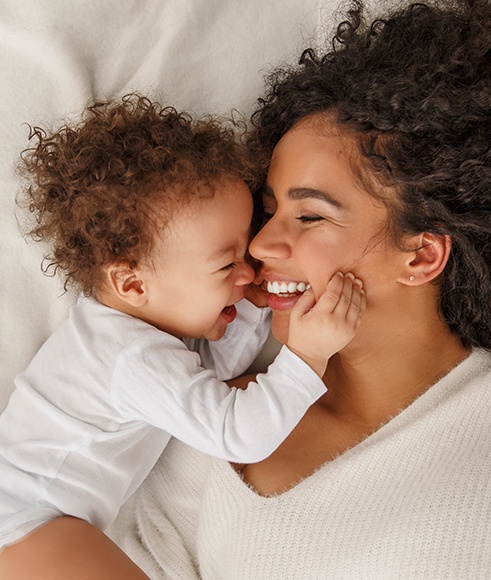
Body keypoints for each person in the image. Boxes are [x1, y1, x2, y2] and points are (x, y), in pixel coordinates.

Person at [102, 0, 491, 577]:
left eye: (309, 217)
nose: (258, 246)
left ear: (422, 253)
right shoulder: (218, 411)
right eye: (269, 210)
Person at [0, 95, 365, 574]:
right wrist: (307, 354)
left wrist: (252, 308)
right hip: (26, 524)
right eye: (226, 262)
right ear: (132, 283)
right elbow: (237, 432)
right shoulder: (130, 357)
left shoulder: (138, 326)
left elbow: (215, 375)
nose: (250, 266)